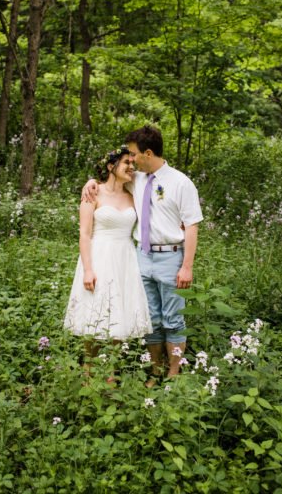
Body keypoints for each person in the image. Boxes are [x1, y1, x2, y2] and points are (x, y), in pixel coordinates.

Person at [83, 126, 203, 386]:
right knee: (150, 317)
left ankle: (173, 375)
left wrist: (187, 266)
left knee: (173, 318)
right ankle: (156, 370)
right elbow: (110, 177)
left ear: (148, 153)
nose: (132, 160)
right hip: (141, 256)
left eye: (135, 154)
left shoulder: (181, 182)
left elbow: (192, 225)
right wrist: (90, 182)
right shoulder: (136, 179)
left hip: (171, 256)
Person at [64, 145, 152, 371]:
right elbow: (84, 234)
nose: (131, 167)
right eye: (126, 163)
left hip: (125, 258)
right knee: (95, 312)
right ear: (111, 166)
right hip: (99, 256)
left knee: (119, 314)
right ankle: (89, 371)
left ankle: (111, 373)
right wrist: (88, 269)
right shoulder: (93, 193)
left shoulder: (133, 196)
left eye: (133, 164)